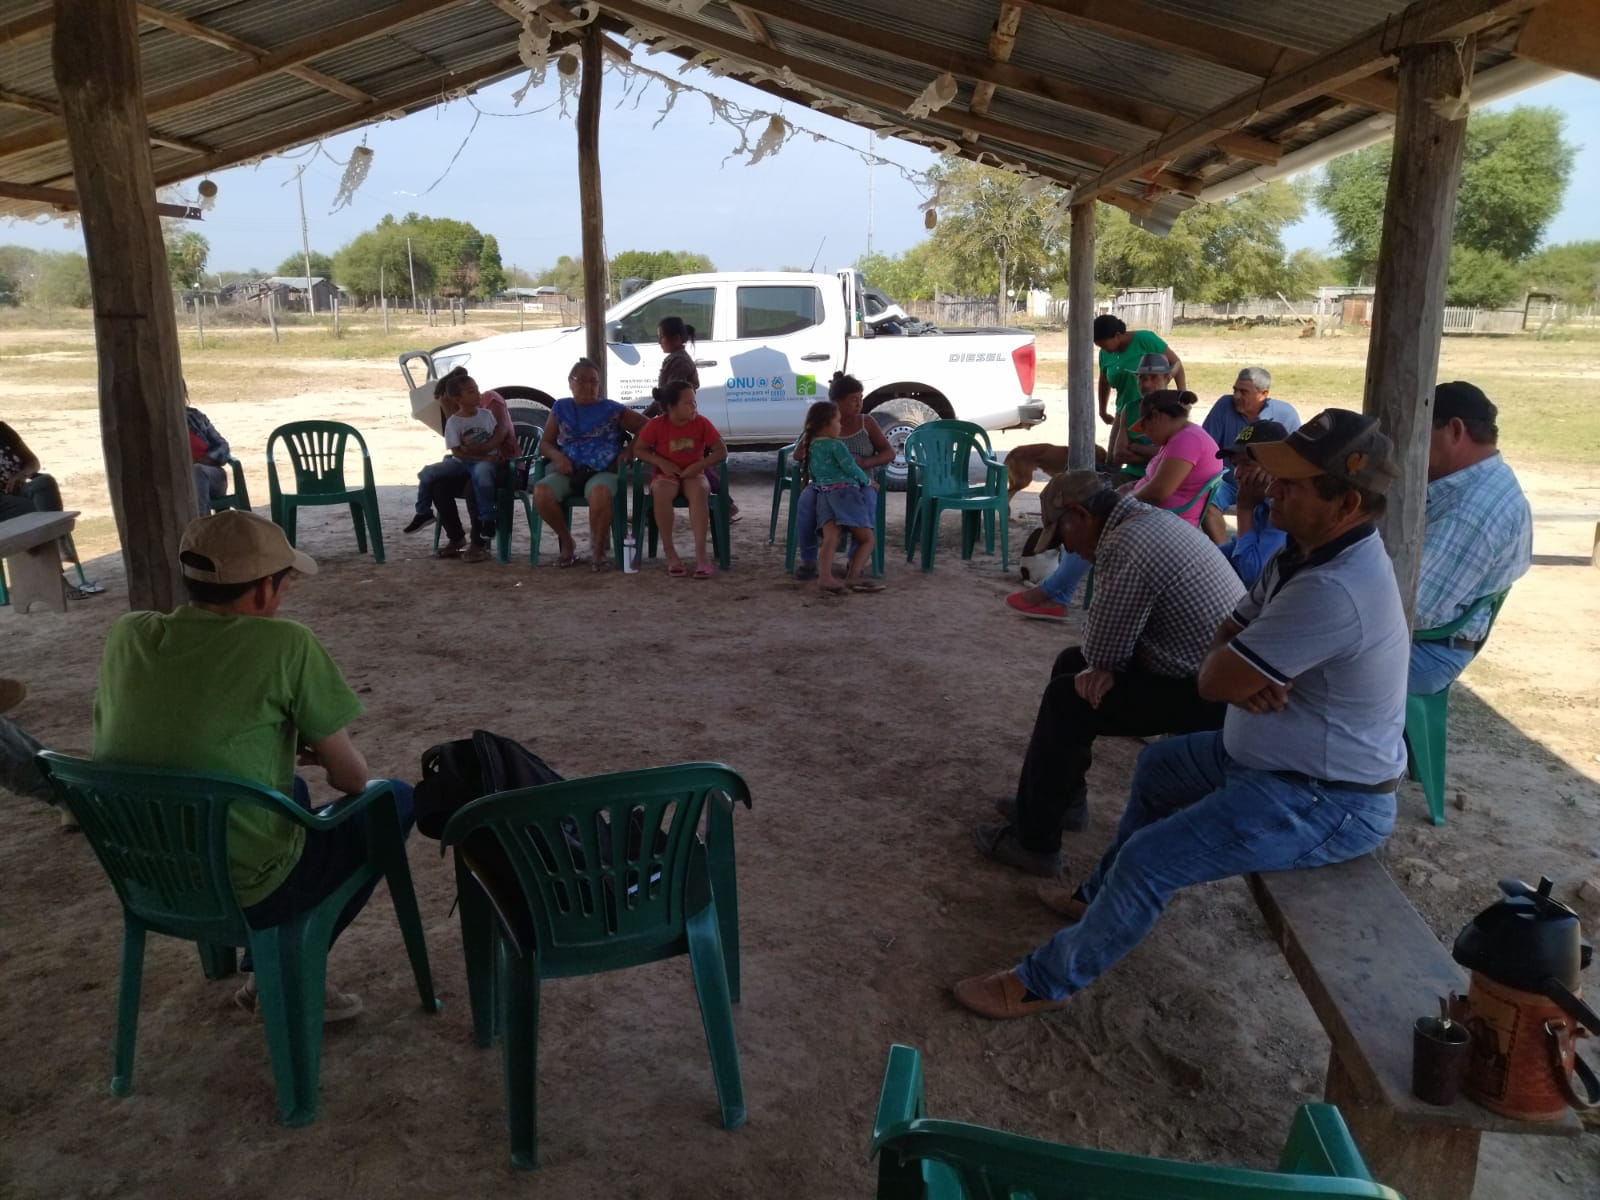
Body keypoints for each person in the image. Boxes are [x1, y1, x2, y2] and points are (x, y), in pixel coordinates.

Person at [955, 410, 1407, 1019]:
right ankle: (1094, 893)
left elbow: (1216, 674)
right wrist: (1237, 669)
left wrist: (1234, 671)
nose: (1270, 489)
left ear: (1346, 502)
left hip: (1325, 797)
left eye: (1293, 485)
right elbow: (1224, 641)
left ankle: (1045, 981)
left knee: (1152, 860)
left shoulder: (1336, 589)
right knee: (1161, 769)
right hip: (1267, 759)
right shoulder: (1303, 556)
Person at [92, 509, 419, 1021]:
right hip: (242, 885)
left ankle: (257, 962)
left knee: (288, 788)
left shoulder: (127, 634)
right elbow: (353, 779)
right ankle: (286, 972)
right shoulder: (286, 645)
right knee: (393, 799)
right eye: (285, 584)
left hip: (147, 871)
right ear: (265, 591)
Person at [973, 471, 1244, 875]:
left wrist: (1105, 664)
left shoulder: (1127, 541)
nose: (1067, 549)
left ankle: (1035, 843)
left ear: (1080, 515)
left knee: (1067, 700)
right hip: (1207, 674)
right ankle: (1062, 802)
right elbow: (1103, 646)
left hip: (1212, 694)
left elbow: (1103, 646)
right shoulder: (1142, 521)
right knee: (1072, 666)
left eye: (1063, 537)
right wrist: (1103, 663)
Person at [1006, 355, 1177, 620]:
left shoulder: (1176, 411)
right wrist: (1151, 451)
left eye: (1153, 377)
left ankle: (1056, 593)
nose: (1147, 383)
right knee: (1080, 506)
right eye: (1142, 377)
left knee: (1096, 523)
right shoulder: (1129, 407)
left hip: (1158, 486)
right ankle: (1054, 582)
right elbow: (1118, 455)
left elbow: (1169, 457)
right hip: (1128, 478)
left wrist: (1139, 450)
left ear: (1167, 379)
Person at [1411, 381, 1532, 695]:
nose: (1412, 446)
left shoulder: (1472, 508)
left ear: (1454, 430)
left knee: (1300, 667)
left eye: (1421, 434)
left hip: (1427, 651)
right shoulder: (1481, 481)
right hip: (1429, 640)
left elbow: (1412, 607)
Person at [533, 358, 647, 570]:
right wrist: (558, 457)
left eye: (593, 381)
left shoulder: (612, 409)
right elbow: (546, 443)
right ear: (570, 382)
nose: (587, 386)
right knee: (541, 492)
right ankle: (568, 543)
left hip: (602, 470)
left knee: (600, 493)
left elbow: (646, 427)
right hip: (569, 469)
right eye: (581, 380)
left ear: (599, 385)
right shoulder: (561, 407)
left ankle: (598, 551)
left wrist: (629, 450)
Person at [793, 371, 893, 582]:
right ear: (836, 402)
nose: (859, 404)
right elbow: (799, 453)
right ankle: (809, 561)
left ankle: (854, 560)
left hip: (860, 481)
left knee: (868, 498)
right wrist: (823, 458)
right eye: (853, 400)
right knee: (805, 501)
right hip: (826, 484)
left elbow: (888, 453)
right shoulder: (822, 424)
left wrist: (865, 463)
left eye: (860, 399)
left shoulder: (867, 422)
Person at [404, 368, 517, 537]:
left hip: (488, 462)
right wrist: (475, 454)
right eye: (472, 391)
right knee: (430, 475)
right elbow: (457, 451)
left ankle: (487, 521)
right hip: (465, 460)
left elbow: (498, 436)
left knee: (479, 477)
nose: (477, 394)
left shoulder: (488, 409)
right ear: (456, 399)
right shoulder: (454, 420)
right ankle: (425, 513)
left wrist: (486, 455)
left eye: (476, 389)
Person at [632, 380, 728, 579]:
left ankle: (702, 556)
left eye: (694, 402)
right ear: (670, 407)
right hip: (666, 474)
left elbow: (721, 451)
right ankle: (671, 554)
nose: (694, 407)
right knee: (660, 491)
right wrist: (660, 461)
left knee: (700, 490)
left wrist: (698, 466)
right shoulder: (656, 425)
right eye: (688, 403)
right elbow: (639, 449)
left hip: (694, 474)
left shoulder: (701, 422)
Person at [0, 419, 98, 596]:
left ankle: (58, 542)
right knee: (32, 512)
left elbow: (32, 462)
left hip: (18, 489)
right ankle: (56, 573)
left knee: (44, 482)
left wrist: (21, 475)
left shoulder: (2, 429)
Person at [431, 372, 517, 563]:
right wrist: (448, 411)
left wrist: (482, 451)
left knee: (473, 486)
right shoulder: (459, 413)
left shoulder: (490, 400)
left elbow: (500, 433)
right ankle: (456, 537)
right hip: (473, 464)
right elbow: (457, 442)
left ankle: (479, 544)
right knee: (439, 485)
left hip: (501, 464)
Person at [1095, 315, 1184, 486]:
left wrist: (1181, 396)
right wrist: (1102, 409)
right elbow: (1104, 380)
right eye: (1142, 378)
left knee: (1162, 453)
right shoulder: (1105, 355)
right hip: (1126, 409)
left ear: (1117, 336)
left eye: (1105, 344)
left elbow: (1176, 364)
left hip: (1157, 406)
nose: (1103, 349)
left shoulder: (1145, 339)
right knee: (1112, 459)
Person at [1200, 367, 1301, 512]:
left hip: (1267, 485)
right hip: (1228, 484)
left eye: (1244, 392)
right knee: (1206, 502)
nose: (1236, 396)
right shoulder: (1224, 405)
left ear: (1263, 394)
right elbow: (1207, 448)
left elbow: (1294, 459)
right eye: (1235, 390)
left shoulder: (1286, 414)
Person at [1125, 389, 1223, 524]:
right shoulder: (1180, 437)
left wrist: (1125, 498)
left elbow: (1158, 492)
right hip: (1159, 517)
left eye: (1145, 428)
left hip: (1167, 523)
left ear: (1156, 416)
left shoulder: (1187, 440)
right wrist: (1131, 487)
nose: (1147, 435)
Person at [1213, 420, 1290, 587]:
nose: (1237, 474)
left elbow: (1253, 574)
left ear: (1276, 465)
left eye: (1247, 463)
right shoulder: (1262, 503)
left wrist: (1244, 509)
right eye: (1235, 465)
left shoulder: (1285, 509)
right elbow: (1235, 548)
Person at [186, 400, 234, 518]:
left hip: (210, 476)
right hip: (177, 478)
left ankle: (201, 524)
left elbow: (223, 446)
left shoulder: (195, 417)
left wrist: (207, 459)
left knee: (197, 472)